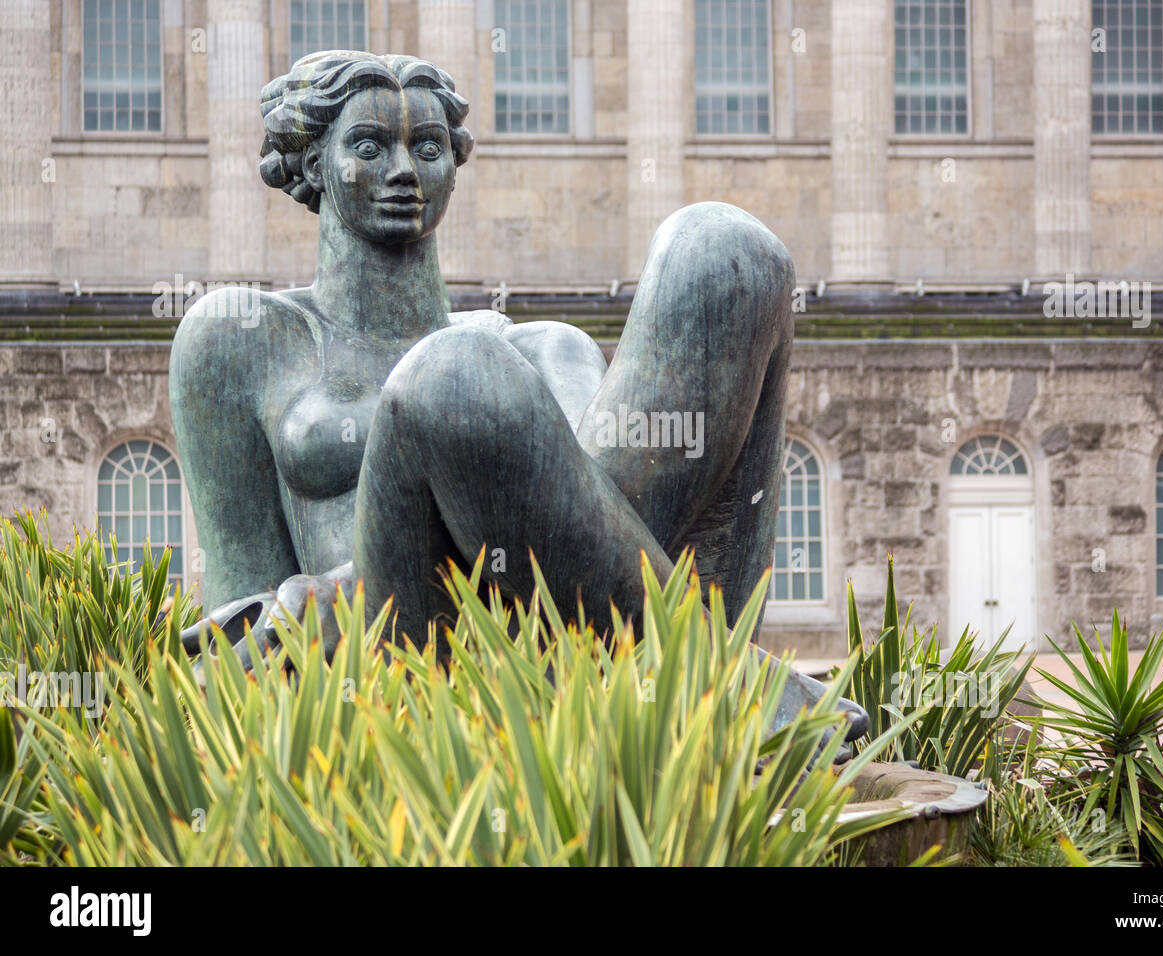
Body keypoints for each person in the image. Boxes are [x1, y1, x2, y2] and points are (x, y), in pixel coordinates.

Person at [172, 50, 867, 745]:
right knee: (451, 376)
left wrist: (341, 589)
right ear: (314, 163)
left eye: (429, 147)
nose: (405, 170)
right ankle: (723, 680)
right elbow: (243, 628)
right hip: (406, 671)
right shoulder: (243, 336)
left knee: (724, 247)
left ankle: (702, 671)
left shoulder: (541, 346)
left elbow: (596, 511)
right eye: (368, 146)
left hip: (590, 649)